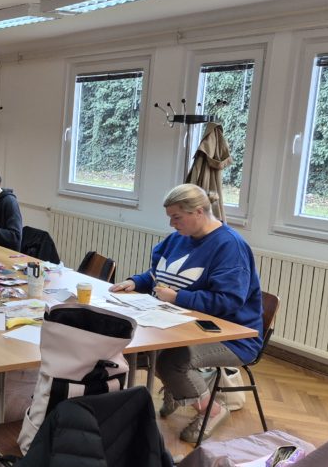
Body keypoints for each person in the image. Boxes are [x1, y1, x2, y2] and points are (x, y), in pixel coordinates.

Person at [110, 184, 262, 443]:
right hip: (182, 323)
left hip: (233, 336)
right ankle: (178, 390)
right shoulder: (178, 238)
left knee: (170, 361)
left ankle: (212, 411)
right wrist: (136, 282)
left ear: (199, 212)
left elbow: (229, 301)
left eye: (176, 217)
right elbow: (159, 275)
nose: (172, 224)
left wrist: (179, 298)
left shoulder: (230, 246)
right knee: (140, 345)